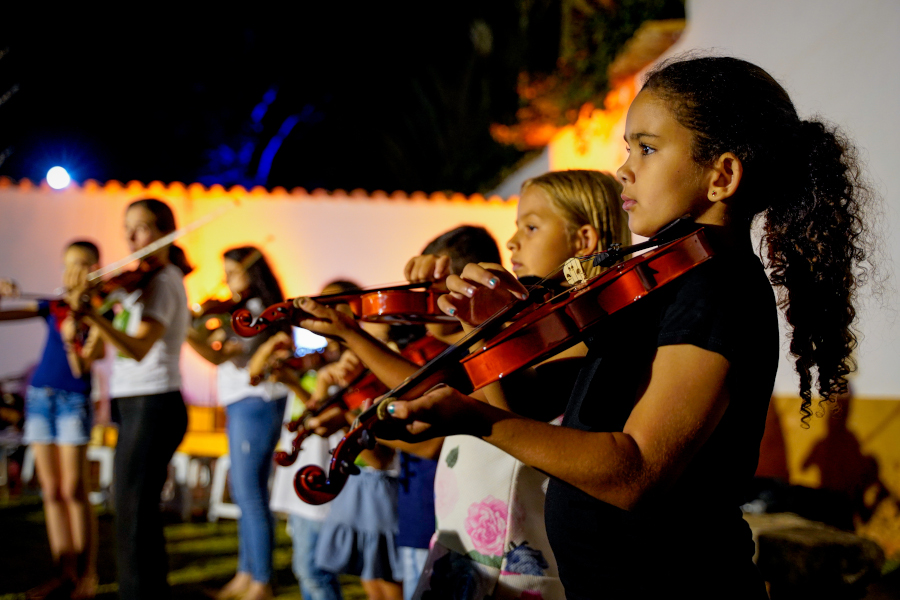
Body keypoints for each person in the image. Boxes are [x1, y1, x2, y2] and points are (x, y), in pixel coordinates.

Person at [377, 55, 872, 599]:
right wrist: (494, 329)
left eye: (648, 147)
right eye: (628, 148)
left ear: (722, 175)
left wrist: (471, 418)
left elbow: (635, 471)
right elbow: (532, 415)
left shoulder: (718, 290)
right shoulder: (661, 284)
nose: (624, 169)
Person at [297, 192, 627, 600]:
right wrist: (352, 333)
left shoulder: (569, 346)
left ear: (584, 241)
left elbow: (502, 415)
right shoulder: (514, 338)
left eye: (531, 227)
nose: (512, 244)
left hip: (514, 565)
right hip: (458, 546)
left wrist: (478, 325)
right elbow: (433, 384)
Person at [65, 198, 192, 600]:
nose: (131, 237)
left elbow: (139, 347)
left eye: (141, 227)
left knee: (131, 508)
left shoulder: (165, 280)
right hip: (136, 403)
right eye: (127, 228)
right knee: (137, 511)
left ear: (164, 231)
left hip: (154, 402)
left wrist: (93, 314)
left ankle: (136, 593)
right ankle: (148, 591)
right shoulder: (139, 282)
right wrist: (86, 309)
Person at [0, 241, 104, 600]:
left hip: (74, 399)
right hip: (40, 397)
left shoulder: (101, 309)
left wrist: (73, 338)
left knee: (75, 490)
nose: (73, 273)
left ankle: (86, 576)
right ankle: (63, 572)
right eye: (68, 265)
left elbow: (85, 366)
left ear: (96, 269)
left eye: (83, 265)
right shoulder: (51, 305)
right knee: (52, 491)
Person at [186, 246, 289, 600]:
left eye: (233, 272)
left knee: (251, 493)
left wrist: (186, 330)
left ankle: (260, 580)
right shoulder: (240, 311)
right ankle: (247, 574)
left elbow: (219, 354)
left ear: (252, 272)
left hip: (256, 402)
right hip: (242, 403)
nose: (227, 280)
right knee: (246, 493)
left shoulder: (256, 311)